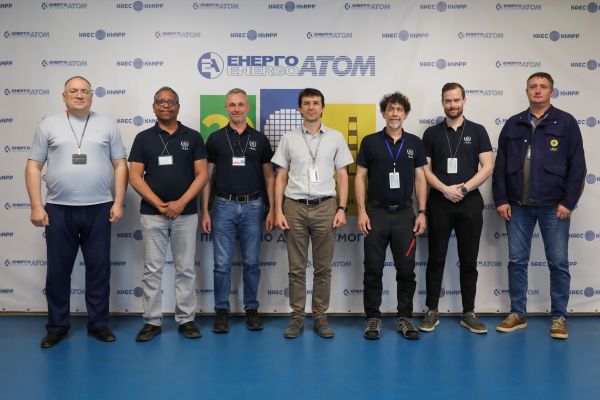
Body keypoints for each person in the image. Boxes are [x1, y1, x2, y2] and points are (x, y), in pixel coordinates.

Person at [25, 75, 128, 348]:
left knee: (99, 271)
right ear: (64, 96)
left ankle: (99, 325)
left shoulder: (107, 125)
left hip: (99, 208)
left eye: (84, 91)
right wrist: (36, 205)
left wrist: (118, 202)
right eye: (73, 91)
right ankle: (57, 327)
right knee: (58, 272)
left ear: (92, 95)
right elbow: (34, 166)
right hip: (59, 209)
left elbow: (120, 164)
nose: (79, 95)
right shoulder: (48, 125)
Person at [493, 72, 586, 339]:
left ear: (551, 92)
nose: (537, 90)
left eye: (543, 86)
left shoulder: (566, 123)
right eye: (533, 86)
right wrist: (501, 199)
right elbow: (500, 167)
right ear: (526, 91)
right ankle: (517, 314)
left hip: (553, 207)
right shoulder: (513, 124)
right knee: (516, 261)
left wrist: (568, 202)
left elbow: (577, 166)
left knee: (558, 262)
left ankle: (559, 316)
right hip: (517, 206)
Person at [272, 88, 353, 339]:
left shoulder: (336, 137)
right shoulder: (288, 138)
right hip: (294, 207)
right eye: (306, 103)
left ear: (322, 108)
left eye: (316, 103)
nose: (311, 107)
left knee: (323, 268)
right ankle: (297, 317)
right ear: (299, 109)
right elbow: (281, 176)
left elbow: (342, 175)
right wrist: (278, 210)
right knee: (296, 268)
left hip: (326, 207)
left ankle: (320, 317)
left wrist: (342, 208)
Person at [129, 87, 208, 342]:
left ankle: (186, 319)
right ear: (153, 107)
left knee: (185, 268)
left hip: (186, 214)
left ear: (178, 106)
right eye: (160, 101)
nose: (166, 105)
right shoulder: (143, 138)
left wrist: (181, 203)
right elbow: (135, 177)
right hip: (153, 214)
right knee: (152, 269)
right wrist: (161, 205)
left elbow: (202, 176)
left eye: (171, 101)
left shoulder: (193, 137)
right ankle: (151, 321)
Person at [419, 83, 493, 334]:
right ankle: (431, 310)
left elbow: (487, 166)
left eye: (456, 100)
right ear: (442, 102)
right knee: (436, 258)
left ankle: (469, 312)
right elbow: (425, 169)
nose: (452, 105)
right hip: (439, 202)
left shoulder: (478, 130)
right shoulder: (431, 133)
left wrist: (463, 189)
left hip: (469, 203)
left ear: (464, 100)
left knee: (469, 259)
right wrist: (444, 189)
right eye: (448, 101)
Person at [200, 88, 275, 333]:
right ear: (226, 108)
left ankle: (251, 309)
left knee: (252, 262)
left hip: (254, 206)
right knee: (221, 264)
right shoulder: (215, 138)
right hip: (223, 206)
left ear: (248, 107)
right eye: (232, 105)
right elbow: (206, 178)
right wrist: (205, 210)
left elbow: (269, 177)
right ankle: (221, 311)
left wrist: (272, 209)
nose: (236, 109)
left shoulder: (260, 139)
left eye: (241, 104)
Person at [355, 92, 427, 340]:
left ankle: (404, 317)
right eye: (390, 109)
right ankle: (372, 318)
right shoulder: (370, 142)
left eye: (399, 109)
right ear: (383, 113)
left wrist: (422, 212)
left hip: (405, 214)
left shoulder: (415, 143)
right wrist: (362, 211)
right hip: (375, 214)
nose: (394, 113)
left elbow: (420, 179)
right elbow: (360, 177)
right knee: (373, 269)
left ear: (405, 114)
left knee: (406, 270)